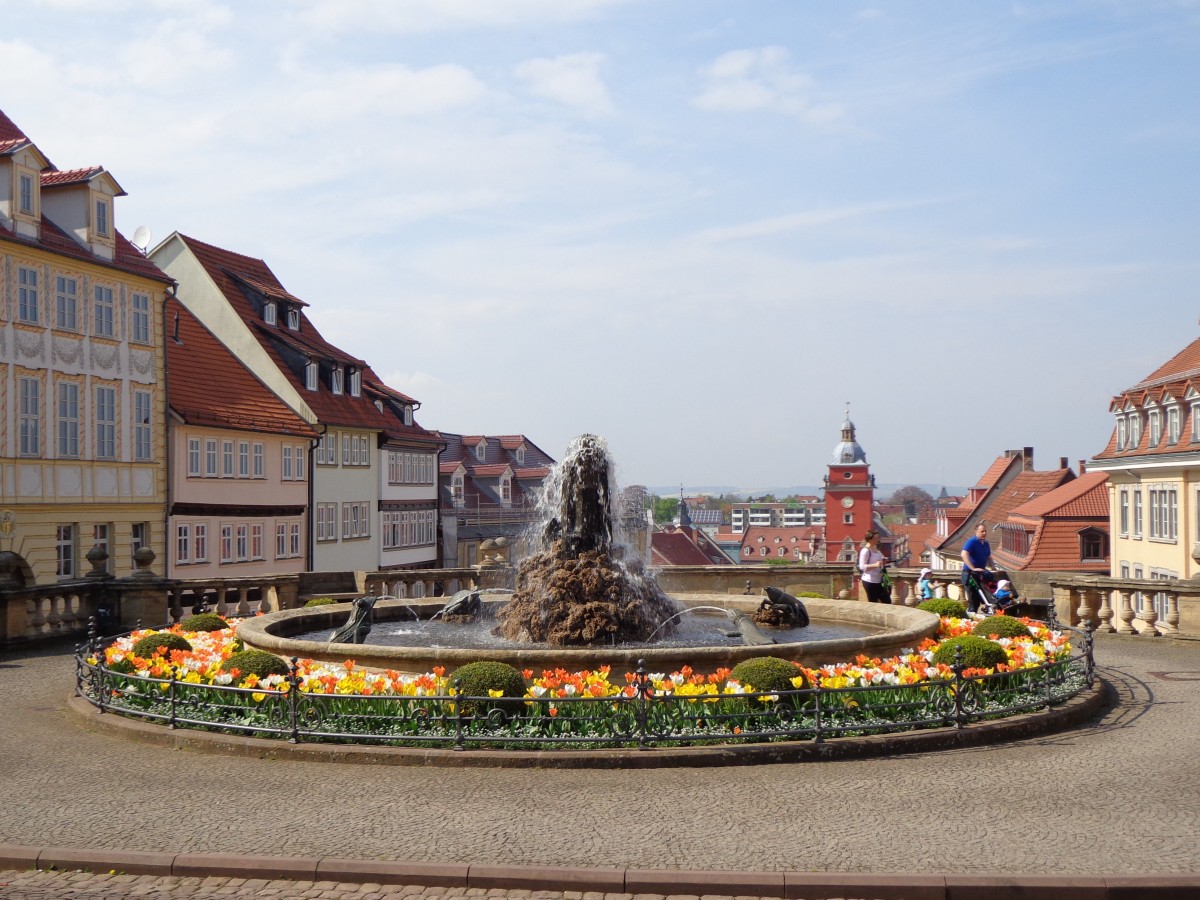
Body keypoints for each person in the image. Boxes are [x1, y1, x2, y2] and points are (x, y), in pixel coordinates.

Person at [960, 523, 995, 615]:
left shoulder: (986, 543)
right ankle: (969, 619)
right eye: (982, 531)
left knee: (981, 600)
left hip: (979, 575)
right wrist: (973, 568)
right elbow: (964, 554)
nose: (984, 533)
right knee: (973, 602)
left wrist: (993, 567)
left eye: (985, 531)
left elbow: (989, 557)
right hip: (969, 575)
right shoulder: (971, 541)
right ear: (976, 532)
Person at [858, 530, 891, 604]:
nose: (877, 540)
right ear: (869, 539)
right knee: (873, 602)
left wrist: (884, 560)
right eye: (875, 538)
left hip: (879, 580)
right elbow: (862, 566)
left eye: (878, 538)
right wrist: (875, 565)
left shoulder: (876, 548)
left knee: (887, 601)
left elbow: (880, 559)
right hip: (869, 581)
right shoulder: (865, 550)